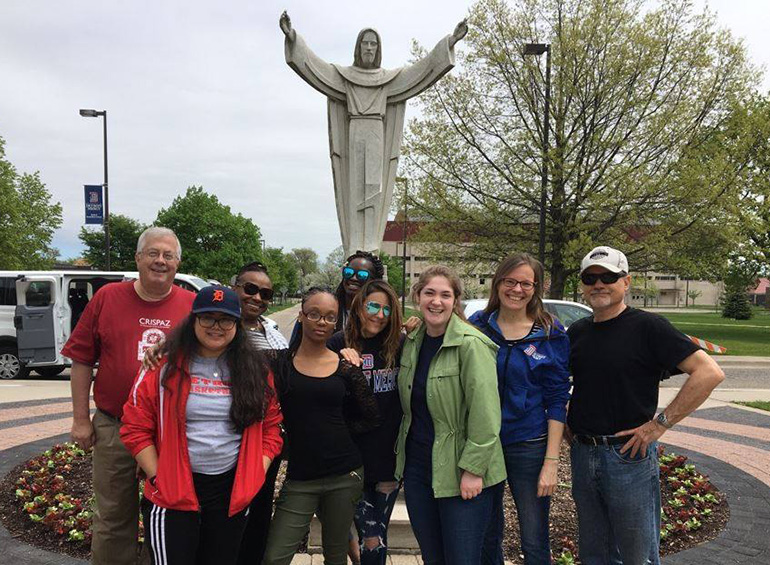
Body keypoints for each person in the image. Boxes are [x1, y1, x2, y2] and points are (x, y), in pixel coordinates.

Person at [566, 246, 725, 564]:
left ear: (626, 282)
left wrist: (659, 424)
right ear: (583, 285)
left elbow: (709, 372)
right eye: (590, 277)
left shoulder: (648, 327)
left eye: (608, 277)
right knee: (595, 554)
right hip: (583, 456)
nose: (599, 284)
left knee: (637, 556)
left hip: (628, 457)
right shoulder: (577, 332)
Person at [279, 11, 467, 254]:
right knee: (354, 190)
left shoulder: (388, 79)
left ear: (378, 49)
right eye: (365, 43)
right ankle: (355, 249)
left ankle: (370, 250)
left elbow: (422, 70)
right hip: (354, 131)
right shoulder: (343, 76)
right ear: (358, 48)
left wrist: (450, 41)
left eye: (373, 44)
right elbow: (314, 67)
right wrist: (293, 37)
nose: (369, 48)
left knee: (373, 189)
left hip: (377, 131)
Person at [120, 285, 283, 565]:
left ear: (237, 324)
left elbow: (272, 427)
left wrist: (256, 471)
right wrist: (159, 476)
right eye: (208, 317)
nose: (216, 326)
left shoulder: (254, 370)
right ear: (194, 319)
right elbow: (135, 427)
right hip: (174, 491)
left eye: (226, 319)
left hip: (230, 492)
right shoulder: (162, 366)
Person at [62, 227, 195, 565]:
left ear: (178, 263)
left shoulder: (191, 307)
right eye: (153, 253)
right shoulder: (108, 297)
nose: (160, 261)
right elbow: (81, 359)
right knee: (112, 518)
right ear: (138, 258)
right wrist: (80, 420)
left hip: (167, 432)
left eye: (168, 255)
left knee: (163, 514)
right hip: (114, 427)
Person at [394, 266, 506, 565]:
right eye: (429, 293)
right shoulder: (413, 341)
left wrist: (473, 469)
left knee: (463, 558)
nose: (436, 301)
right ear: (418, 296)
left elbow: (486, 414)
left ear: (456, 301)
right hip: (419, 468)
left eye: (445, 295)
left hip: (462, 470)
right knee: (433, 556)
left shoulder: (472, 344)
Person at [263, 287, 380, 565]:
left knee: (335, 555)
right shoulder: (280, 363)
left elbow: (371, 416)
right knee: (274, 556)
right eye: (314, 314)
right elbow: (231, 350)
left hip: (344, 475)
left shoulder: (345, 367)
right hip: (301, 479)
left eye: (329, 317)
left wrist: (336, 432)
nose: (321, 321)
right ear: (302, 316)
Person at [470, 253, 571, 565]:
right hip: (485, 445)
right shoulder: (478, 327)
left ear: (536, 288)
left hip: (529, 444)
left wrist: (551, 461)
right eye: (509, 281)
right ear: (498, 283)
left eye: (525, 283)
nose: (517, 289)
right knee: (487, 533)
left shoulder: (550, 332)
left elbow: (557, 399)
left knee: (534, 535)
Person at [327, 280, 404, 565]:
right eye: (373, 305)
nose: (379, 315)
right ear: (359, 307)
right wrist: (340, 364)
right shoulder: (338, 343)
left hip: (389, 459)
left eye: (386, 309)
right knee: (369, 536)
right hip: (351, 460)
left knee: (376, 535)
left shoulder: (400, 345)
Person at [232, 261, 288, 351]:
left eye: (265, 294)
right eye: (250, 289)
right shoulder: (219, 332)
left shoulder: (276, 335)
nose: (257, 298)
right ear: (234, 289)